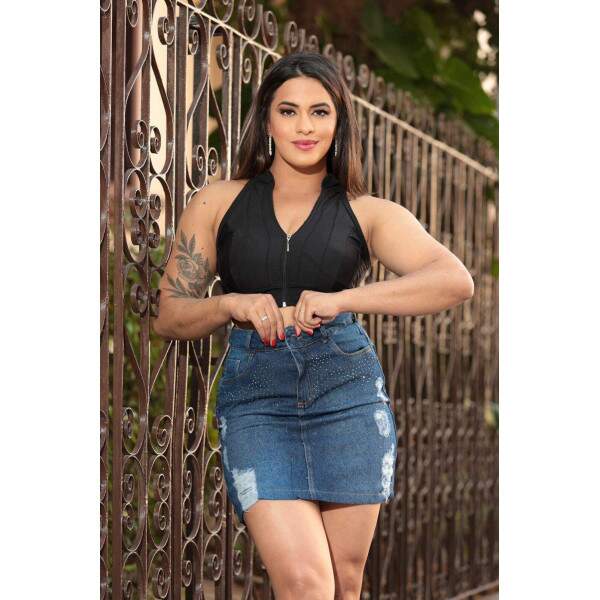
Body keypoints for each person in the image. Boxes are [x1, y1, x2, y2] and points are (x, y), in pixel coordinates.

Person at [153, 51, 474, 600]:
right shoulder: (217, 203)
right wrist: (230, 304)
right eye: (289, 111)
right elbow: (169, 314)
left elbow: (453, 279)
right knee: (306, 582)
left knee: (344, 585)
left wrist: (343, 299)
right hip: (257, 401)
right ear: (267, 120)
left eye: (320, 112)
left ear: (338, 121)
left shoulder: (366, 211)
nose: (305, 126)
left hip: (346, 395)